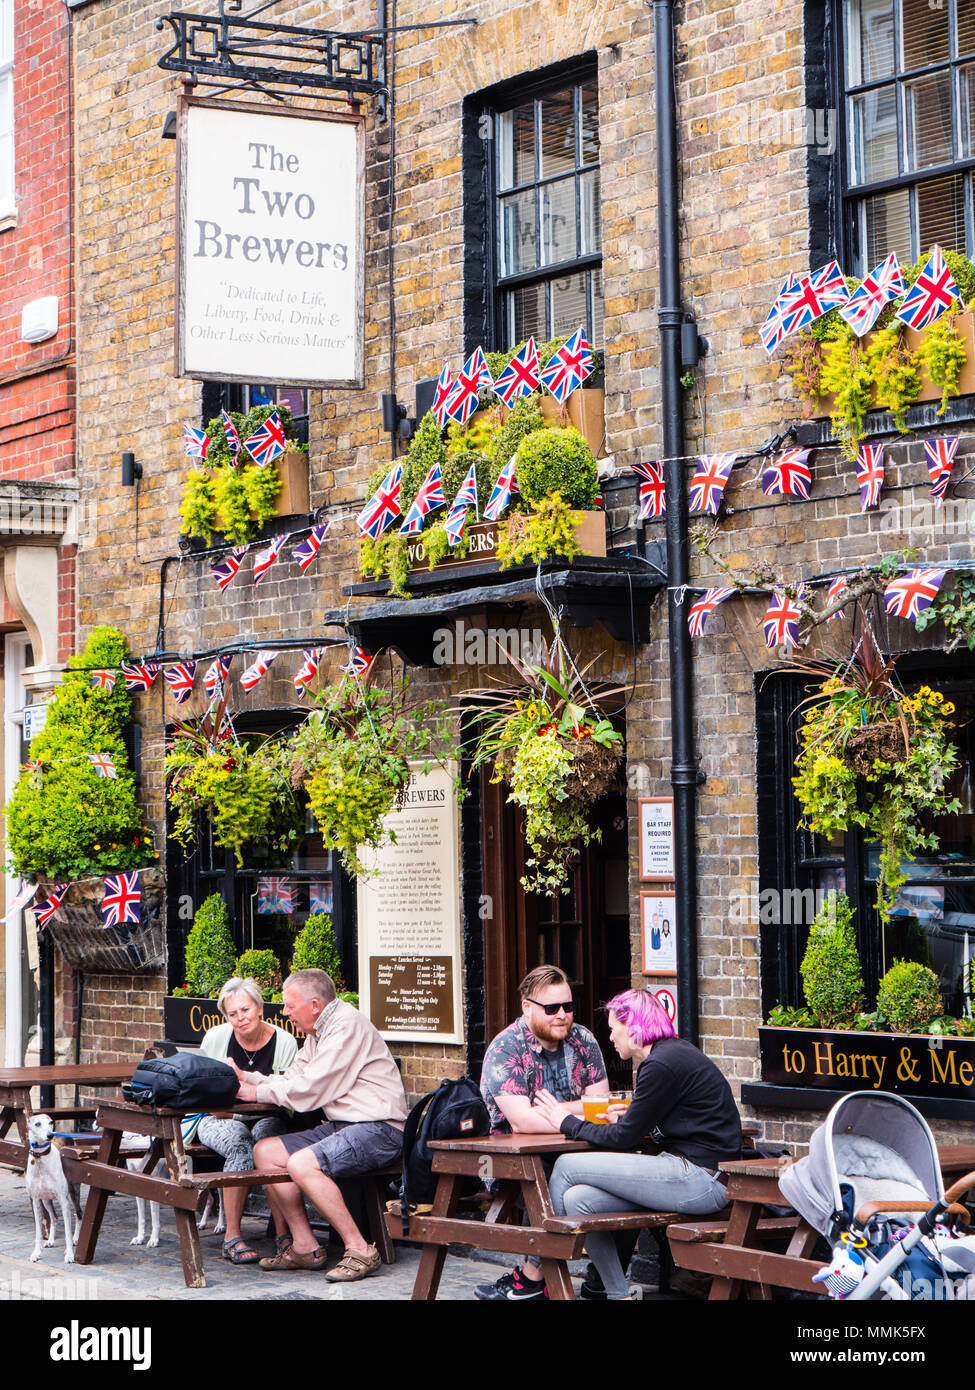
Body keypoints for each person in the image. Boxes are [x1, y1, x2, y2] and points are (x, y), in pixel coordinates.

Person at [534, 988, 742, 1300]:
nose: (611, 1036)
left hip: (699, 1179)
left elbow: (623, 1139)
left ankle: (539, 1266)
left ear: (632, 1026)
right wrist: (629, 1117)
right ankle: (619, 1294)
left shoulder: (660, 1064)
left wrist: (566, 1121)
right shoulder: (670, 1054)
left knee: (565, 1164)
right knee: (579, 1199)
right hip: (692, 1175)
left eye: (613, 1028)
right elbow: (669, 1120)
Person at [235, 968, 408, 1282]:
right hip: (345, 1125)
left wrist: (255, 1092)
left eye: (290, 1005)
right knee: (266, 1151)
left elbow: (311, 1089)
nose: (284, 1013)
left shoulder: (346, 1026)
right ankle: (304, 1245)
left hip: (379, 1128)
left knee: (302, 1163)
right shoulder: (318, 1033)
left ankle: (360, 1250)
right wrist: (248, 1078)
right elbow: (293, 1078)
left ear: (314, 1005)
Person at [474, 964, 610, 1302]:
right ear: (527, 1006)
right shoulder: (506, 1049)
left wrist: (559, 1112)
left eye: (568, 1006)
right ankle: (532, 1279)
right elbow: (522, 1122)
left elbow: (603, 1107)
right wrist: (581, 1109)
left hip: (583, 1148)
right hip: (518, 1159)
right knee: (558, 1184)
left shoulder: (584, 1040)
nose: (562, 1015)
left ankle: (601, 1277)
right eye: (551, 1008)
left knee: (625, 1178)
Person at [191, 975, 298, 1265]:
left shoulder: (284, 1042)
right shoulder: (215, 1038)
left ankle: (283, 1234)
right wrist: (219, 1107)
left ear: (260, 1008)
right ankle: (232, 1236)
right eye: (232, 1013)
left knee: (267, 1143)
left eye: (245, 1010)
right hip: (217, 1117)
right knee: (239, 1142)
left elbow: (287, 1095)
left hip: (266, 1115)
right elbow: (198, 1086)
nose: (240, 1018)